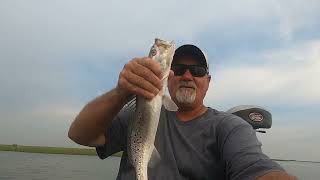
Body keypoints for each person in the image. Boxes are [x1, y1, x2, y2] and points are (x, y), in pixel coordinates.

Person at [68, 44, 297, 180]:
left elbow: (255, 168)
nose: (187, 76)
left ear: (208, 81)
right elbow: (80, 135)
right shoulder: (137, 113)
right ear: (168, 76)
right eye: (178, 69)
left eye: (197, 70)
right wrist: (121, 91)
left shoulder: (228, 127)